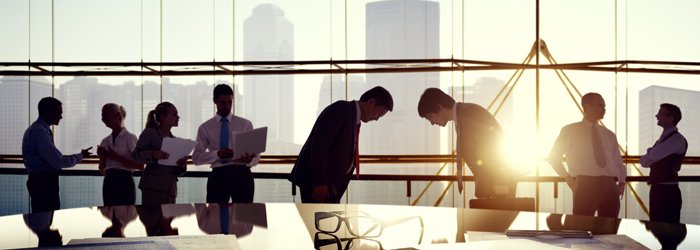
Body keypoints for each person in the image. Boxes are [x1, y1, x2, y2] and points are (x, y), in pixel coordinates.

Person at [289, 86, 393, 203]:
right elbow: (319, 146)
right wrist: (320, 182)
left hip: (329, 184)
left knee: (326, 219)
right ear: (371, 102)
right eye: (379, 113)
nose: (377, 119)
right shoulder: (342, 109)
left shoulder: (352, 117)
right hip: (318, 184)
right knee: (318, 219)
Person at [417, 88, 521, 198]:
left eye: (429, 117)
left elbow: (494, 145)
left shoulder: (468, 113)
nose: (432, 123)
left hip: (497, 182)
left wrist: (501, 181)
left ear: (439, 107)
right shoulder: (462, 114)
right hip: (491, 181)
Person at [548, 92, 627, 218]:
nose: (604, 109)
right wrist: (569, 180)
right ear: (587, 106)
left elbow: (618, 162)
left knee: (609, 231)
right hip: (585, 185)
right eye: (600, 105)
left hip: (610, 185)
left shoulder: (609, 134)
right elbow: (553, 157)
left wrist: (621, 184)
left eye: (604, 106)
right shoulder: (570, 130)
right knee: (581, 227)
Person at [22, 97, 92, 213]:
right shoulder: (40, 132)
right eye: (59, 113)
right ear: (51, 114)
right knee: (46, 219)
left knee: (42, 219)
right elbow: (59, 162)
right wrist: (81, 156)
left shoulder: (34, 129)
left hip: (38, 181)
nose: (61, 117)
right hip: (44, 183)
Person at [193, 84, 260, 203]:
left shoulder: (245, 124)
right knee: (215, 216)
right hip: (219, 176)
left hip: (242, 175)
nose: (227, 106)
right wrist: (217, 154)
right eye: (223, 103)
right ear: (214, 101)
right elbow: (196, 158)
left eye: (230, 102)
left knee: (244, 218)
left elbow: (256, 155)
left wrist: (250, 160)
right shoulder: (205, 128)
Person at [132, 102, 188, 205]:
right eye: (174, 114)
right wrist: (152, 154)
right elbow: (136, 156)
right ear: (163, 117)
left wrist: (182, 166)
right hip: (153, 187)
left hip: (170, 189)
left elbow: (176, 171)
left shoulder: (174, 140)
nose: (178, 117)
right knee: (154, 219)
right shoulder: (150, 133)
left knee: (167, 220)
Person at [640, 103, 687, 224]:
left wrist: (651, 153)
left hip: (668, 192)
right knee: (656, 229)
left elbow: (652, 156)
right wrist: (653, 154)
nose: (656, 116)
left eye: (660, 114)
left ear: (670, 118)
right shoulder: (664, 139)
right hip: (657, 190)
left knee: (668, 234)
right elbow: (644, 162)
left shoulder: (676, 139)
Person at [97, 103, 144, 206]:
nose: (102, 118)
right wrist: (101, 159)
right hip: (108, 182)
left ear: (117, 115)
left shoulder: (130, 138)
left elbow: (140, 166)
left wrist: (116, 157)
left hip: (125, 182)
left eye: (105, 114)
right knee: (110, 217)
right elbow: (103, 171)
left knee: (125, 216)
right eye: (102, 115)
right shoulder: (105, 141)